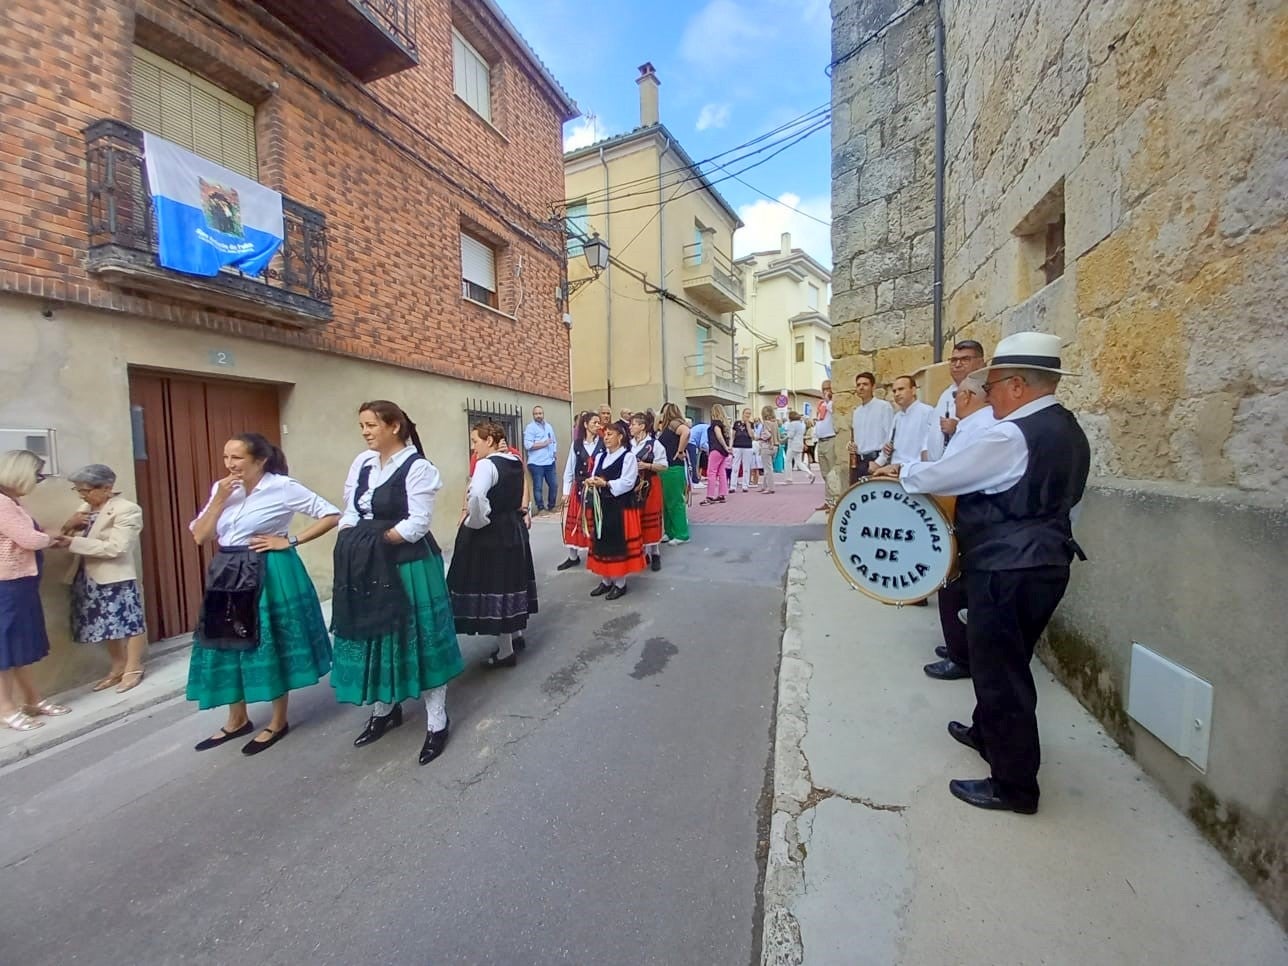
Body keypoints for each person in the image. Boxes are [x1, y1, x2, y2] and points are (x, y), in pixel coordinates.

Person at [871, 332, 1090, 814]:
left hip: (1007, 569)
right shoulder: (1068, 428)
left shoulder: (1010, 434)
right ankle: (985, 733)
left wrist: (902, 474)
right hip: (1046, 563)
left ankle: (1013, 786)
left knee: (1000, 675)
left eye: (992, 386)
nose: (988, 396)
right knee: (1005, 663)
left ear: (1016, 385)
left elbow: (951, 474)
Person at [330, 401, 464, 766]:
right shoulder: (362, 463)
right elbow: (352, 511)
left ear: (393, 426)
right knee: (378, 635)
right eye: (362, 426)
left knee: (420, 637)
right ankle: (385, 709)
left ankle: (437, 720)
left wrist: (370, 540)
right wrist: (351, 537)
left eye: (371, 425)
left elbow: (416, 524)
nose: (365, 432)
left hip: (408, 564)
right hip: (367, 562)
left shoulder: (418, 468)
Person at [188, 433, 339, 756]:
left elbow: (331, 514)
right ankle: (236, 718)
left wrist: (291, 540)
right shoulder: (222, 489)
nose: (230, 465)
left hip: (267, 567)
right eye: (226, 457)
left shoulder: (283, 487)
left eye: (237, 458)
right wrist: (218, 500)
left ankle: (277, 720)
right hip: (227, 569)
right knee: (224, 639)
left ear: (259, 460)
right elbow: (201, 536)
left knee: (269, 640)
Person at [921, 372, 997, 682]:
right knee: (958, 589)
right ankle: (959, 648)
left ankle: (960, 657)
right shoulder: (977, 426)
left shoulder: (979, 427)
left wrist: (911, 474)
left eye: (956, 397)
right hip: (964, 514)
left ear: (966, 397)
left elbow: (955, 472)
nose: (954, 401)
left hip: (967, 517)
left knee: (953, 588)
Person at [449, 420, 538, 670]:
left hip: (492, 532)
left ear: (489, 440)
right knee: (511, 582)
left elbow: (477, 496)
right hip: (513, 527)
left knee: (495, 584)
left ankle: (506, 651)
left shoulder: (486, 464)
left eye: (475, 441)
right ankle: (516, 634)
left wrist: (475, 522)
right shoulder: (513, 460)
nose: (473, 447)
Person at [60, 464, 147, 693]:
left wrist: (73, 542)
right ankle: (117, 666)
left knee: (129, 621)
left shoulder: (127, 509)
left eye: (86, 490)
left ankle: (133, 666)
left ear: (107, 488)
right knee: (104, 624)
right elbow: (68, 535)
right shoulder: (85, 508)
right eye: (78, 490)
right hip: (87, 573)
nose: (82, 495)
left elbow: (117, 547)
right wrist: (69, 527)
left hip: (114, 574)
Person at [0, 450, 70, 732]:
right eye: (37, 476)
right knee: (4, 648)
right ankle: (6, 709)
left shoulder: (11, 501)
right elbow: (28, 538)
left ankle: (32, 699)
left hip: (20, 583)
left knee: (20, 646)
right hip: (7, 586)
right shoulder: (2, 504)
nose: (38, 481)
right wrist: (51, 538)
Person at [584, 421, 644, 599]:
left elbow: (628, 482)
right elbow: (595, 475)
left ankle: (620, 583)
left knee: (616, 544)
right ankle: (606, 580)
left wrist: (607, 484)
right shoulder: (601, 456)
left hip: (619, 506)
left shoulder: (628, 457)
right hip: (602, 506)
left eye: (610, 434)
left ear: (620, 437)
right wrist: (591, 481)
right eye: (606, 434)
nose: (607, 437)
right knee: (602, 541)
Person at [558, 411, 604, 570]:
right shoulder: (576, 444)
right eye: (594, 422)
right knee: (575, 523)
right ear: (585, 424)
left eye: (599, 423)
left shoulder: (604, 443)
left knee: (595, 522)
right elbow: (569, 469)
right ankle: (573, 556)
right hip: (579, 489)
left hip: (598, 490)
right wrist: (565, 492)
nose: (598, 425)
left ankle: (596, 553)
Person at [927, 340, 987, 460]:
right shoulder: (945, 394)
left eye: (965, 359)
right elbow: (931, 427)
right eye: (954, 360)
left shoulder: (985, 393)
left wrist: (957, 429)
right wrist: (925, 452)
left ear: (980, 363)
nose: (957, 364)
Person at [630, 412, 668, 571]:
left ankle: (655, 553)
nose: (630, 427)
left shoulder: (654, 444)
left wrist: (647, 466)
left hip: (650, 483)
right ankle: (643, 551)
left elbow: (664, 465)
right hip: (633, 485)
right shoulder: (628, 444)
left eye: (633, 424)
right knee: (637, 518)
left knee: (650, 516)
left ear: (642, 426)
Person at [877, 375, 936, 467]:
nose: (897, 394)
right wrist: (878, 463)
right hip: (894, 469)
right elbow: (889, 446)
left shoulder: (927, 412)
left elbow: (928, 446)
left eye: (901, 389)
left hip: (913, 469)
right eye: (894, 391)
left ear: (913, 390)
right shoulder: (897, 417)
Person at [848, 371, 895, 483]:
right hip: (859, 462)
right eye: (858, 385)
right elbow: (859, 438)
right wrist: (851, 446)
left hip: (876, 460)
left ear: (873, 386)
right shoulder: (857, 412)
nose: (861, 387)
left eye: (865, 384)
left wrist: (879, 462)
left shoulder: (884, 407)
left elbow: (890, 437)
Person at [657, 403, 691, 545]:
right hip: (667, 468)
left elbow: (686, 432)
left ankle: (682, 534)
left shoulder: (673, 423)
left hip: (673, 468)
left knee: (675, 501)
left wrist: (680, 450)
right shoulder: (668, 426)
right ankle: (670, 532)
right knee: (666, 502)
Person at [523, 406, 558, 514]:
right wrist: (543, 444)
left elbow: (553, 441)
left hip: (549, 461)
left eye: (540, 413)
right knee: (538, 486)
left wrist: (554, 452)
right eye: (536, 414)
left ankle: (552, 506)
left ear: (543, 414)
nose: (538, 415)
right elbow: (528, 445)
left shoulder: (548, 427)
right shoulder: (530, 428)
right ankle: (541, 508)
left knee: (554, 484)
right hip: (536, 463)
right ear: (533, 415)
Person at [814, 379, 838, 511]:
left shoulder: (832, 404)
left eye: (828, 388)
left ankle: (835, 501)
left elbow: (835, 412)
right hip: (821, 440)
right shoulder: (821, 405)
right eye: (823, 389)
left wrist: (829, 400)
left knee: (832, 473)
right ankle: (828, 500)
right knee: (824, 473)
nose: (825, 391)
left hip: (830, 439)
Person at [701, 404, 731, 505]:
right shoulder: (724, 424)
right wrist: (727, 447)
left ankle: (710, 496)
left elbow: (719, 436)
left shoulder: (715, 424)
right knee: (721, 472)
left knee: (711, 472)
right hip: (723, 452)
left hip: (716, 450)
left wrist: (724, 446)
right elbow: (726, 437)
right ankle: (722, 494)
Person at [729, 407, 755, 493]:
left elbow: (752, 435)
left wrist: (747, 424)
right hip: (737, 446)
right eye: (746, 413)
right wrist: (730, 446)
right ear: (743, 414)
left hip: (747, 446)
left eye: (749, 414)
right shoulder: (736, 423)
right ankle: (733, 486)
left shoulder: (751, 424)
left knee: (746, 466)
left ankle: (745, 485)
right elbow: (732, 435)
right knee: (735, 466)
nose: (747, 415)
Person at [784, 411, 813, 483]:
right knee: (799, 462)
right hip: (800, 444)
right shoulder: (802, 424)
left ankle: (789, 478)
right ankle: (810, 473)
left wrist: (785, 435)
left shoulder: (792, 424)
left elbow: (790, 435)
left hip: (792, 444)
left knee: (788, 461)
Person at [756, 405, 778, 494]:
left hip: (767, 446)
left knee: (767, 468)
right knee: (769, 467)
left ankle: (770, 487)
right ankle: (764, 486)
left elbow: (767, 435)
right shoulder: (775, 423)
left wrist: (759, 438)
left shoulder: (766, 423)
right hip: (775, 446)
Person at [687, 419, 709, 486]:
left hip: (689, 441)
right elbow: (703, 443)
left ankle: (693, 479)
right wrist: (710, 450)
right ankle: (695, 481)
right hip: (691, 442)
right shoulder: (707, 429)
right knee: (693, 462)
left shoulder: (704, 427)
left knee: (691, 462)